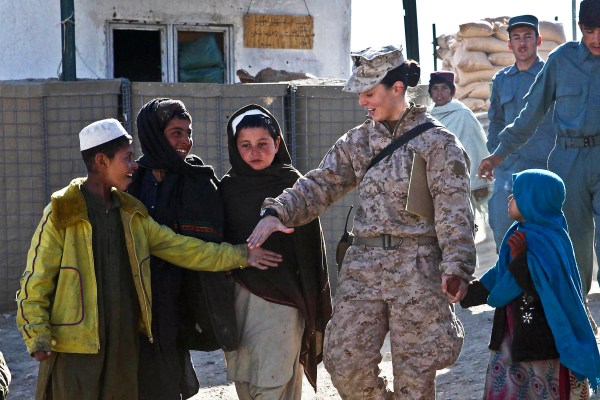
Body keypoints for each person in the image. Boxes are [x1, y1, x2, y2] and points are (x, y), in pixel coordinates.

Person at [247, 45, 477, 399]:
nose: (361, 102)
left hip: (419, 270)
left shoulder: (438, 144)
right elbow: (320, 184)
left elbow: (455, 211)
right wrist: (277, 211)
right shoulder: (357, 141)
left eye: (369, 93)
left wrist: (457, 267)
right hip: (364, 270)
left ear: (397, 88)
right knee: (344, 362)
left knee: (416, 377)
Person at [15, 118, 282, 400]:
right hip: (74, 349)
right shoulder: (63, 211)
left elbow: (183, 248)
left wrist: (241, 254)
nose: (134, 166)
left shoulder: (132, 213)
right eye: (127, 158)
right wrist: (37, 334)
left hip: (123, 345)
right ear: (102, 161)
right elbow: (36, 280)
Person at [478, 0, 600, 296]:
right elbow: (530, 113)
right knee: (574, 241)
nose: (596, 39)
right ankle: (578, 307)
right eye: (589, 30)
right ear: (580, 27)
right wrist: (498, 154)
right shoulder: (562, 61)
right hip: (567, 161)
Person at [127, 98, 237, 399]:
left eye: (189, 133)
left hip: (181, 295)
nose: (186, 141)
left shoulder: (198, 179)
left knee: (167, 371)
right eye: (176, 132)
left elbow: (216, 233)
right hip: (137, 296)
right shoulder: (130, 181)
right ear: (153, 133)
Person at [221, 104, 332, 399]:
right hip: (238, 297)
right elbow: (214, 245)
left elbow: (310, 252)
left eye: (262, 144)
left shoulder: (293, 187)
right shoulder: (226, 189)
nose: (254, 152)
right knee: (246, 377)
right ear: (235, 147)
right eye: (245, 145)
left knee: (275, 377)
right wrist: (242, 256)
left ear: (277, 143)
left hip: (285, 299)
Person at [460, 169, 600, 398]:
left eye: (515, 195)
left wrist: (519, 259)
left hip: (542, 337)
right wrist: (467, 292)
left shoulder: (544, 239)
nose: (509, 198)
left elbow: (535, 285)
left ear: (534, 200)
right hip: (513, 333)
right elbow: (498, 273)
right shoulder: (521, 232)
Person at [486, 14, 556, 252]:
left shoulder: (551, 76)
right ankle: (510, 284)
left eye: (528, 36)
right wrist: (496, 152)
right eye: (516, 37)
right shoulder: (501, 80)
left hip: (544, 167)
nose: (522, 43)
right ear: (509, 44)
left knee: (544, 236)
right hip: (509, 171)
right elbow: (495, 120)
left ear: (539, 40)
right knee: (501, 227)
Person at [427, 70, 493, 209]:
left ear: (452, 91)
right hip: (432, 182)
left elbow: (474, 148)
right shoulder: (426, 117)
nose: (439, 93)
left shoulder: (462, 115)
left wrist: (478, 182)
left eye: (444, 88)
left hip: (459, 182)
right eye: (435, 89)